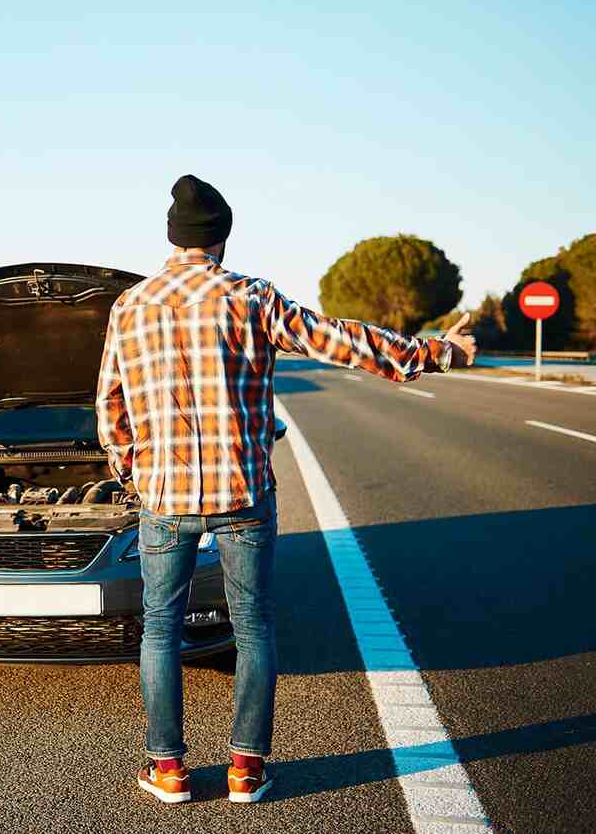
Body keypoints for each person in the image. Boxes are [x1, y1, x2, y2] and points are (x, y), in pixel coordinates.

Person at [95, 175, 476, 804]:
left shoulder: (130, 306)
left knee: (160, 630)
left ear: (171, 237)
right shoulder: (251, 297)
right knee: (253, 626)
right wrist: (435, 352)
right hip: (243, 496)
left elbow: (109, 404)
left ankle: (168, 769)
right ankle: (246, 769)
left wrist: (131, 469)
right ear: (222, 237)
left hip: (163, 500)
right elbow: (340, 340)